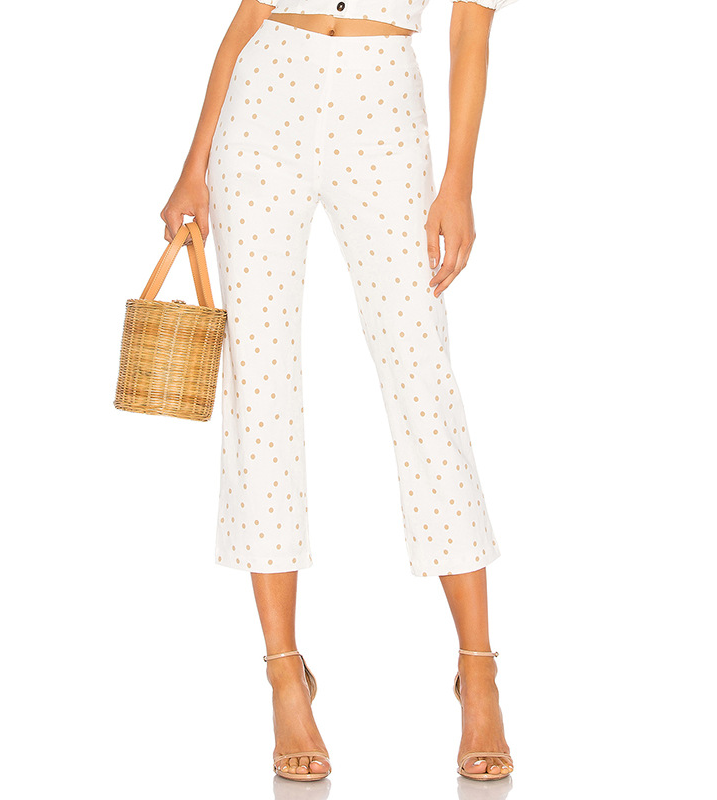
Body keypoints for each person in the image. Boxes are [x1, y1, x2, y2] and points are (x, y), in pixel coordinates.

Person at [161, 0, 519, 783]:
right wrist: (194, 163)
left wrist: (458, 181)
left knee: (422, 381)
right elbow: (251, 13)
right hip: (265, 93)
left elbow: (470, 28)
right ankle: (285, 675)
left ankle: (479, 670)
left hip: (380, 98)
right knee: (259, 386)